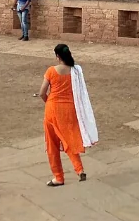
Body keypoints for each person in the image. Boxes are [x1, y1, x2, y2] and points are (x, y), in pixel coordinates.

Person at [38, 44, 98, 186]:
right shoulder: (75, 71)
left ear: (57, 56)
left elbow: (42, 93)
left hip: (53, 110)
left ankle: (58, 177)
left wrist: (48, 102)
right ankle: (79, 169)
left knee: (52, 145)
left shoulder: (51, 71)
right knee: (69, 140)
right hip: (70, 110)